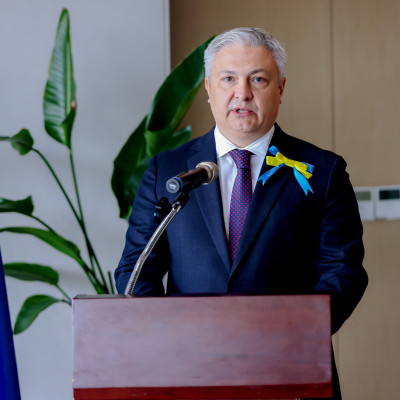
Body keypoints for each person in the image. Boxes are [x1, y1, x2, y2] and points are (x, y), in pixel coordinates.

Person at [115, 27, 368, 399]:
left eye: (258, 79)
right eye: (228, 79)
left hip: (291, 369)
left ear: (280, 88)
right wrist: (170, 341)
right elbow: (136, 270)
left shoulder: (323, 171)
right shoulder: (166, 172)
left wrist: (294, 333)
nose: (243, 93)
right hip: (189, 371)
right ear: (208, 88)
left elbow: (342, 270)